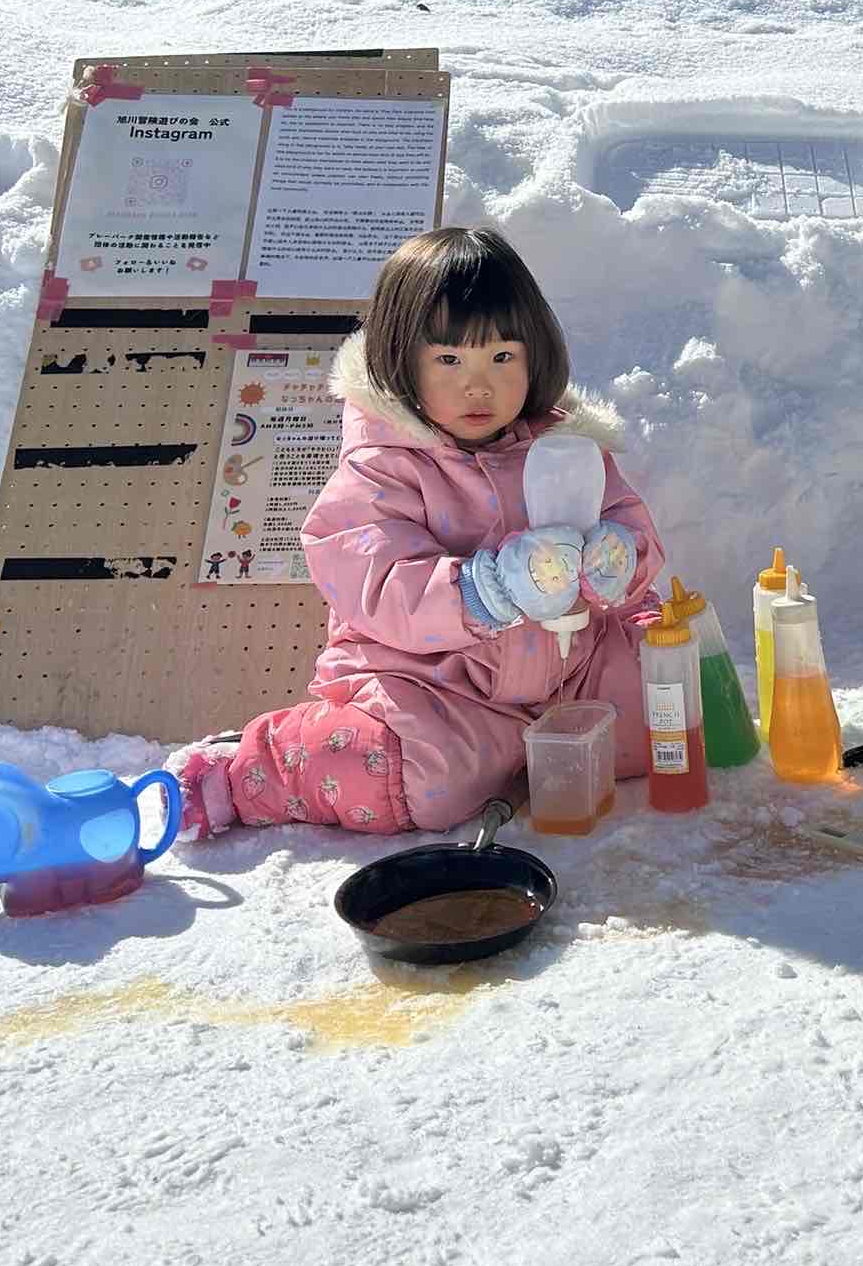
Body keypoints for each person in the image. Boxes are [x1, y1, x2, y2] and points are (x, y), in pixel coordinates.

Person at [171, 226, 664, 837]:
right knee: (417, 781)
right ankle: (254, 767)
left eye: (502, 358)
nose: (478, 385)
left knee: (665, 716)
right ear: (402, 359)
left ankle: (520, 756)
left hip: (571, 671)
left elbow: (627, 520)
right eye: (449, 360)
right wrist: (487, 591)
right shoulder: (383, 465)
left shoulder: (564, 445)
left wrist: (617, 557)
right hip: (438, 685)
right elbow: (375, 580)